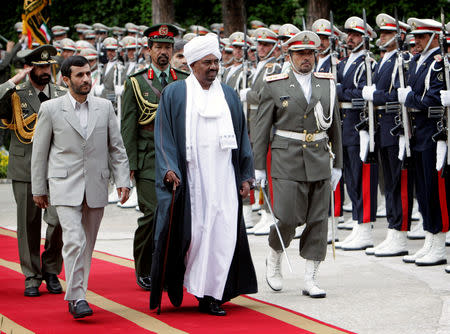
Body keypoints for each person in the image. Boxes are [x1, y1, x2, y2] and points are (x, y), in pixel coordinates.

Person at [150, 35, 257, 316]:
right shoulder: (175, 93)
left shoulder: (230, 95)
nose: (213, 67)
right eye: (208, 62)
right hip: (192, 181)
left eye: (216, 62)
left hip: (223, 179)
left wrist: (245, 175)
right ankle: (193, 285)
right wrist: (169, 168)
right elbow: (163, 136)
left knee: (222, 235)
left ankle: (212, 294)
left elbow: (242, 137)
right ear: (193, 64)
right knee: (195, 236)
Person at [31, 55, 130, 318]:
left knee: (86, 245)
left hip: (96, 185)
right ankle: (77, 298)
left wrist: (122, 181)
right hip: (63, 185)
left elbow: (116, 147)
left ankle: (78, 294)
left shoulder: (104, 107)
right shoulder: (51, 109)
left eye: (88, 74)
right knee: (74, 240)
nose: (86, 79)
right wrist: (38, 188)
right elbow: (40, 153)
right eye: (80, 75)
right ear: (66, 79)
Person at [254, 31, 342, 298]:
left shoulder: (326, 83)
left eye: (311, 53)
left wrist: (338, 164)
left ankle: (310, 277)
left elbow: (334, 125)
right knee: (288, 216)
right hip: (286, 157)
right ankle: (274, 254)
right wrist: (258, 166)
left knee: (318, 220)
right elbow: (261, 127)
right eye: (301, 53)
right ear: (289, 55)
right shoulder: (275, 84)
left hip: (318, 157)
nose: (307, 58)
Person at [120, 23, 188, 291]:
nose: (163, 52)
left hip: (178, 156)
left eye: (168, 47)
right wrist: (129, 166)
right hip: (149, 157)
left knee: (177, 213)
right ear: (148, 50)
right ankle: (145, 267)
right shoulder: (136, 82)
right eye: (158, 47)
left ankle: (173, 266)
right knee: (152, 213)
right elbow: (128, 128)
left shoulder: (183, 80)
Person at [0, 45, 65, 297]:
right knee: (28, 223)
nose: (45, 71)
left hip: (56, 167)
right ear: (29, 69)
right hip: (24, 165)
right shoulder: (16, 93)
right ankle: (31, 275)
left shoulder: (61, 94)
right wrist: (12, 80)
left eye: (48, 66)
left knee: (58, 220)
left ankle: (51, 269)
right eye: (39, 67)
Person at [361, 14, 413, 257]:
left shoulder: (402, 61)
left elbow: (398, 97)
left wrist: (376, 96)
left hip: (394, 125)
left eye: (386, 34)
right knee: (388, 182)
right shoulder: (383, 61)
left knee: (398, 182)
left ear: (398, 37)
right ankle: (393, 229)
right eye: (380, 33)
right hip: (381, 127)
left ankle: (400, 233)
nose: (380, 37)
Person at [400, 18, 447, 266]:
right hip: (418, 134)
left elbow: (433, 99)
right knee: (423, 190)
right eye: (415, 36)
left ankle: (439, 243)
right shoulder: (418, 61)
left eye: (421, 36)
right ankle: (429, 239)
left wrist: (409, 99)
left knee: (433, 190)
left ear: (434, 37)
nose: (415, 41)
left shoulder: (439, 62)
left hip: (432, 133)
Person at [335, 16, 379, 250]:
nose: (349, 38)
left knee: (362, 179)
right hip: (344, 127)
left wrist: (340, 89)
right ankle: (357, 223)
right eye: (348, 34)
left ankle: (366, 227)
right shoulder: (343, 62)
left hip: (358, 125)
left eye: (354, 35)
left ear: (365, 38)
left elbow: (361, 93)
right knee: (351, 179)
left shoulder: (367, 63)